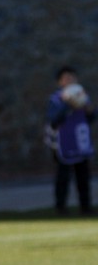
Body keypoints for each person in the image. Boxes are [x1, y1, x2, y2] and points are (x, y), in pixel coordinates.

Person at [45, 66, 95, 215]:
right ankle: (61, 208)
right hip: (62, 144)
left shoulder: (83, 96)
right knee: (63, 177)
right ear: (60, 82)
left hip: (80, 142)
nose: (70, 80)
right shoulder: (55, 99)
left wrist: (89, 109)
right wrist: (67, 104)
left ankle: (85, 207)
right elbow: (53, 119)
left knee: (83, 177)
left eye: (72, 77)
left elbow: (91, 118)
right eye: (66, 78)